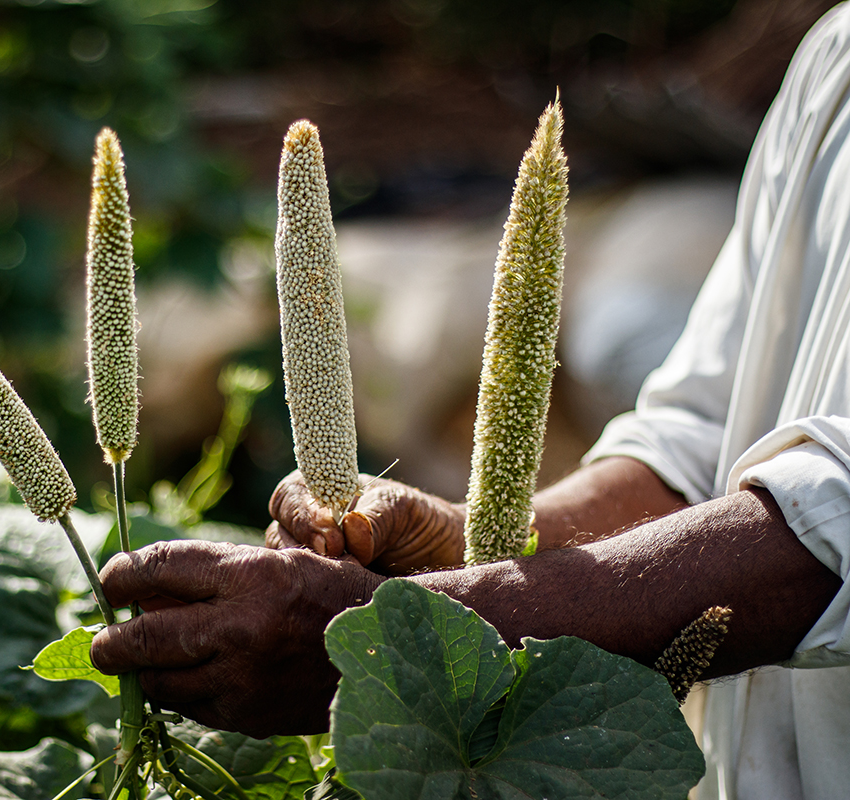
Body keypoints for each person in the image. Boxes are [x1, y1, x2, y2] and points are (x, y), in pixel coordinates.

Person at [91, 5, 850, 798]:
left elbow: (832, 522)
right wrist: (463, 538)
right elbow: (702, 439)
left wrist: (403, 640)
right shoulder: (831, 59)